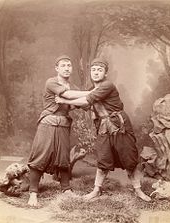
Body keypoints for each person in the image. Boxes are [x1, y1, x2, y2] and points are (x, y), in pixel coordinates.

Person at [55, 58, 151, 202]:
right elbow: (82, 104)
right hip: (103, 128)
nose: (96, 72)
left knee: (129, 158)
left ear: (106, 73)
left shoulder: (107, 85)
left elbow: (86, 101)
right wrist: (62, 105)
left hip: (119, 126)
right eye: (93, 69)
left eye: (100, 70)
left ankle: (138, 190)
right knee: (103, 159)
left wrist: (65, 101)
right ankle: (96, 190)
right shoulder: (91, 90)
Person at [27, 55, 90, 207]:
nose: (67, 68)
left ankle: (66, 189)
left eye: (69, 65)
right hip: (48, 121)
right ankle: (33, 193)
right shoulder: (51, 82)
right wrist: (92, 93)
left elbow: (79, 104)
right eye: (63, 65)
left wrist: (83, 101)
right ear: (57, 68)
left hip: (63, 123)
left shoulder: (72, 85)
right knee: (40, 156)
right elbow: (68, 96)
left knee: (63, 158)